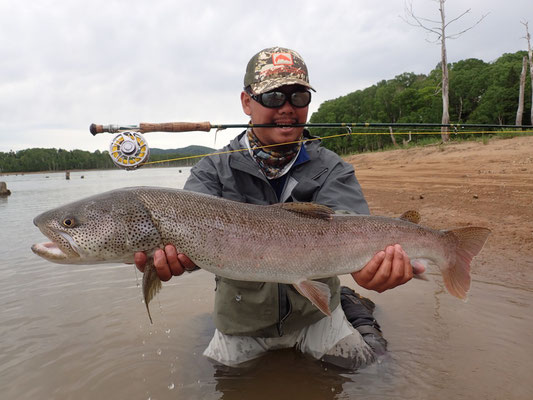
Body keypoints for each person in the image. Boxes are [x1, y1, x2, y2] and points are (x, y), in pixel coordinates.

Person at [135, 46, 423, 370]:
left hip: (317, 317)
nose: (287, 108)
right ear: (246, 102)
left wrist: (371, 270)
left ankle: (349, 303)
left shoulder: (333, 168)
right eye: (273, 97)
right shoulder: (211, 171)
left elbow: (351, 229)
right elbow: (185, 243)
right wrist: (177, 262)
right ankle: (348, 303)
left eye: (298, 97)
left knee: (374, 372)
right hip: (241, 324)